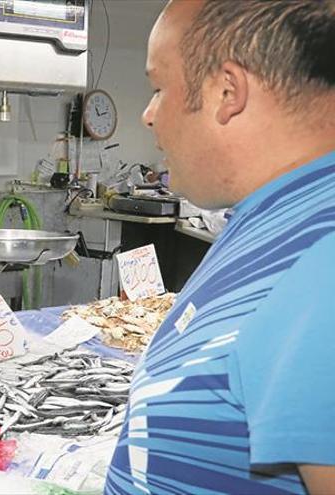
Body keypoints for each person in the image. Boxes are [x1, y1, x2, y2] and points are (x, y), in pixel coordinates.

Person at [104, 1, 335, 493]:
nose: (147, 115)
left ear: (227, 91)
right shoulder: (276, 212)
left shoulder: (324, 265)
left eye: (158, 88)